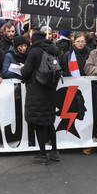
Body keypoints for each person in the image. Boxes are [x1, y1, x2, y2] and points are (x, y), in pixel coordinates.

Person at [20, 31, 61, 164]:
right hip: (50, 90)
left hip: (36, 90)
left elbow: (26, 72)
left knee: (38, 123)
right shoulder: (54, 49)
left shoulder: (35, 51)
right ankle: (55, 151)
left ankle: (43, 154)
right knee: (49, 122)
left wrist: (22, 68)